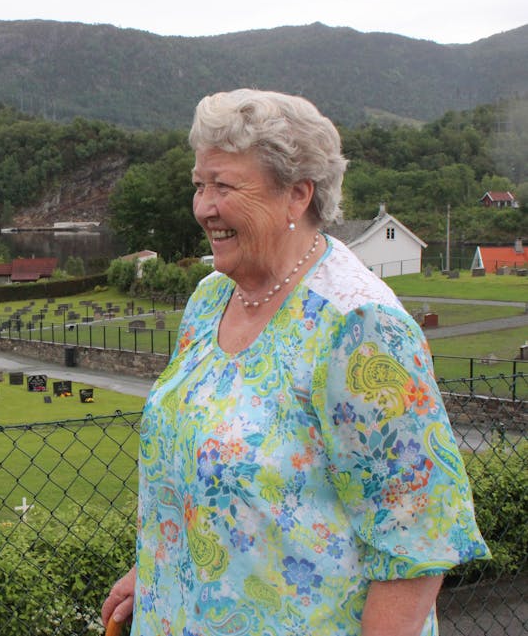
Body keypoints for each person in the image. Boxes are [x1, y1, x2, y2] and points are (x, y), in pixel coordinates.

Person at [102, 89, 489, 636]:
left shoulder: (358, 327)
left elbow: (416, 537)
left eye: (225, 186)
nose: (203, 206)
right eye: (199, 184)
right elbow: (205, 482)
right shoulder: (211, 298)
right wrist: (160, 568)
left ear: (298, 195)